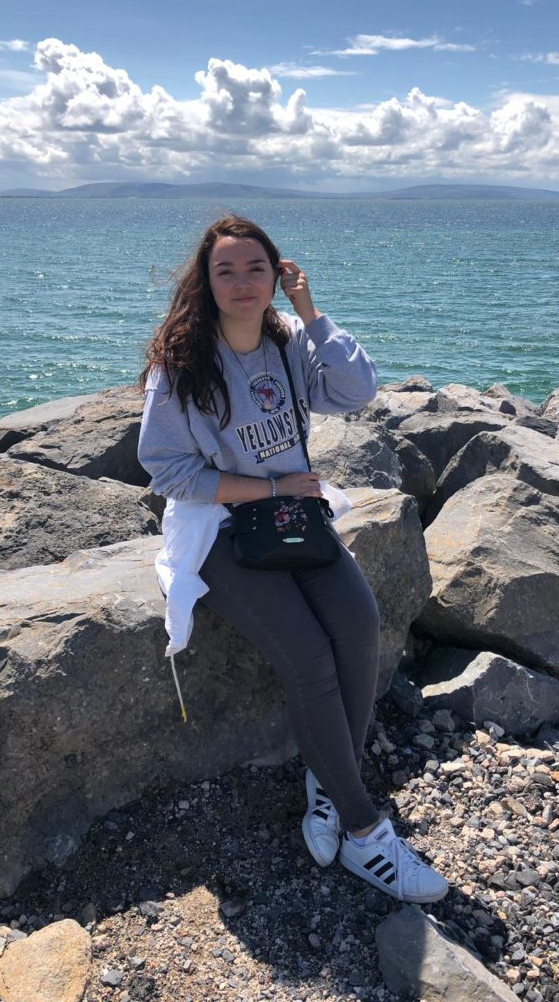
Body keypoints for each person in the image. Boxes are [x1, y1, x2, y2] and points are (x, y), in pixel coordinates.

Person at [137, 215, 448, 904]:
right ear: (206, 281)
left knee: (359, 626)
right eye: (226, 271)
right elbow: (165, 470)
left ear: (277, 276)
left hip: (292, 520)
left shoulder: (286, 342)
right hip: (220, 526)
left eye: (256, 269)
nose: (242, 283)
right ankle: (367, 832)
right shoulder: (182, 365)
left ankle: (329, 783)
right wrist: (272, 484)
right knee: (307, 656)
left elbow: (357, 390)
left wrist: (310, 312)